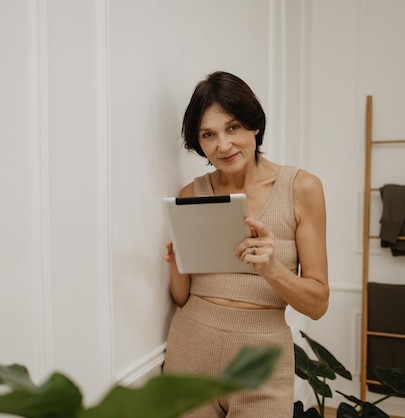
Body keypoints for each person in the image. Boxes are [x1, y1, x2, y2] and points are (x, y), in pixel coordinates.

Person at [162, 71, 329, 417]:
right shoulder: (192, 194)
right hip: (189, 351)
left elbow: (317, 304)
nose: (223, 145)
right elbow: (183, 297)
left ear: (254, 125)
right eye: (208, 134)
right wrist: (177, 265)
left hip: (261, 361)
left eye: (233, 127)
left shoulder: (301, 188)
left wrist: (272, 269)